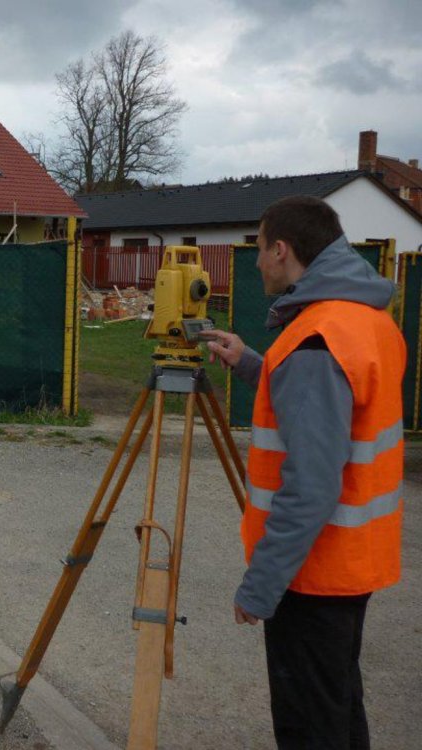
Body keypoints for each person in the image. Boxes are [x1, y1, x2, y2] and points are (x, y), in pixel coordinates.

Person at [205, 196, 404, 749]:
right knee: (336, 706)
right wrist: (250, 361)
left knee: (310, 725)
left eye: (260, 250)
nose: (257, 264)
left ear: (282, 250)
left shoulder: (316, 340)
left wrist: (260, 587)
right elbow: (329, 406)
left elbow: (311, 486)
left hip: (313, 572)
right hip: (351, 560)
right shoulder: (363, 320)